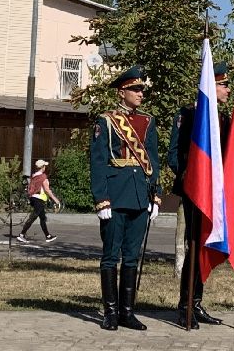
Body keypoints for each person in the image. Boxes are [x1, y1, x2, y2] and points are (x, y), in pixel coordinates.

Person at [90, 65, 160, 332]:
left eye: (141, 89)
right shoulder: (106, 121)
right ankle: (109, 312)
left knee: (131, 256)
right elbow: (98, 162)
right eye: (135, 89)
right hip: (115, 197)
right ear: (122, 92)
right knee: (111, 256)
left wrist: (156, 195)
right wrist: (101, 199)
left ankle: (127, 313)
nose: (140, 94)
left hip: (140, 197)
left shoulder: (148, 121)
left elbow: (152, 161)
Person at [167, 64, 231, 327]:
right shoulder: (189, 115)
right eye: (223, 85)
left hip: (215, 194)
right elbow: (175, 153)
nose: (227, 89)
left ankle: (197, 303)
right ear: (211, 86)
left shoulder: (224, 120)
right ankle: (185, 307)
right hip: (195, 191)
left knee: (206, 245)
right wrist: (188, 177)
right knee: (194, 245)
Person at [18, 158, 61, 243]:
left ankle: (48, 236)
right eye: (44, 166)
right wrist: (56, 200)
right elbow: (47, 190)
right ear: (42, 167)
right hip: (39, 199)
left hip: (34, 198)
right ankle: (21, 235)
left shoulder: (34, 176)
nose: (45, 167)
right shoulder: (43, 177)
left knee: (42, 218)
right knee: (33, 217)